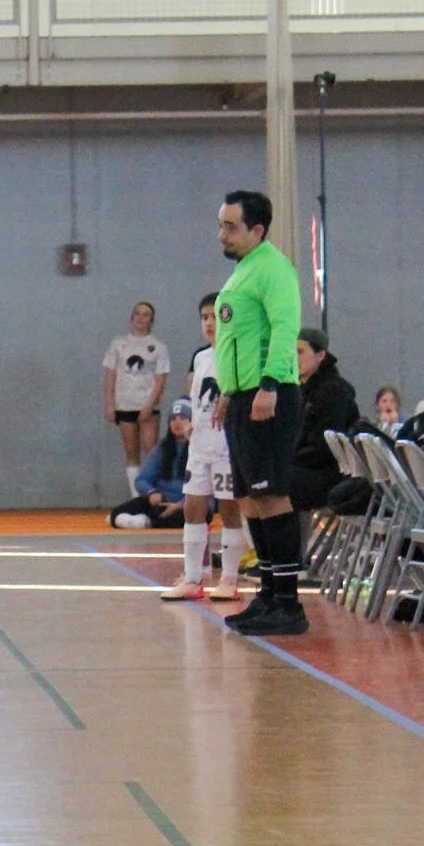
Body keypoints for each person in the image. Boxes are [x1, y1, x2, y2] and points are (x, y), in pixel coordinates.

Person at [211, 189, 309, 636]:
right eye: (221, 226)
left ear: (257, 229)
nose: (222, 234)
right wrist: (227, 391)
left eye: (231, 227)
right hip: (243, 396)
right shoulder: (244, 271)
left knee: (271, 495)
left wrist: (269, 384)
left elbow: (286, 328)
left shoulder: (273, 268)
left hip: (268, 395)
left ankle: (288, 603)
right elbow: (236, 341)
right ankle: (268, 594)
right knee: (249, 497)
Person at [162, 294, 245, 600]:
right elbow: (197, 401)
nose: (210, 323)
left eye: (215, 317)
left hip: (226, 445)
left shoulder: (237, 355)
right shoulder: (200, 358)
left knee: (229, 508)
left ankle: (230, 579)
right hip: (199, 445)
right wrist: (190, 425)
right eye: (204, 317)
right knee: (192, 507)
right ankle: (193, 578)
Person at [284, 327, 360, 512]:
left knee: (275, 482)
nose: (294, 357)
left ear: (320, 355)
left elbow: (324, 447)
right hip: (308, 469)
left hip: (333, 475)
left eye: (300, 352)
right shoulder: (303, 390)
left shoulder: (334, 392)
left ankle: (285, 533)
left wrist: (288, 460)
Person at [102, 302, 169, 487]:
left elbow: (160, 380)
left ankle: (151, 494)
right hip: (124, 405)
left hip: (147, 405)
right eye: (137, 313)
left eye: (146, 314)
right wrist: (109, 404)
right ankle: (135, 495)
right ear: (132, 318)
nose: (141, 318)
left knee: (151, 450)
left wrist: (149, 405)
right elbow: (110, 375)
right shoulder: (118, 344)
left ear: (152, 320)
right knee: (131, 451)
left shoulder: (158, 347)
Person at [111, 400, 192, 529]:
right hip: (161, 502)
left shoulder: (199, 450)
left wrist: (181, 504)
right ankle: (145, 520)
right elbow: (142, 479)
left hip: (188, 504)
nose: (177, 423)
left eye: (183, 418)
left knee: (193, 516)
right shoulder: (162, 448)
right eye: (173, 419)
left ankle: (145, 521)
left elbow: (205, 487)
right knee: (116, 513)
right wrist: (151, 492)